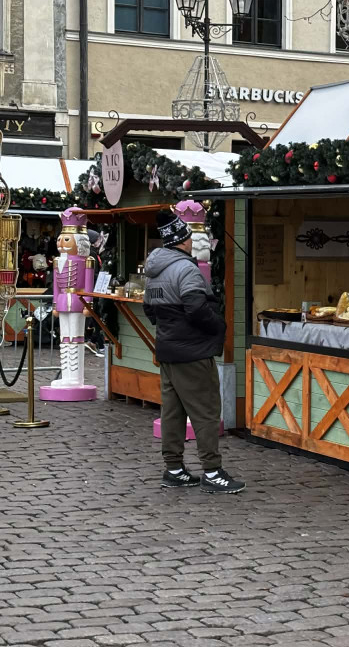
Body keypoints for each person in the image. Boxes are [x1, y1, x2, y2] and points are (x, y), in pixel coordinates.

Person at [143, 208, 245, 494]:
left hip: (167, 349)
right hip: (192, 351)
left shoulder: (154, 269)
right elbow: (196, 307)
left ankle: (174, 469)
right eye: (189, 237)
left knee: (172, 413)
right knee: (206, 411)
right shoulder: (186, 268)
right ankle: (212, 471)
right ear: (184, 240)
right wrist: (218, 328)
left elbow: (150, 309)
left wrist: (169, 330)